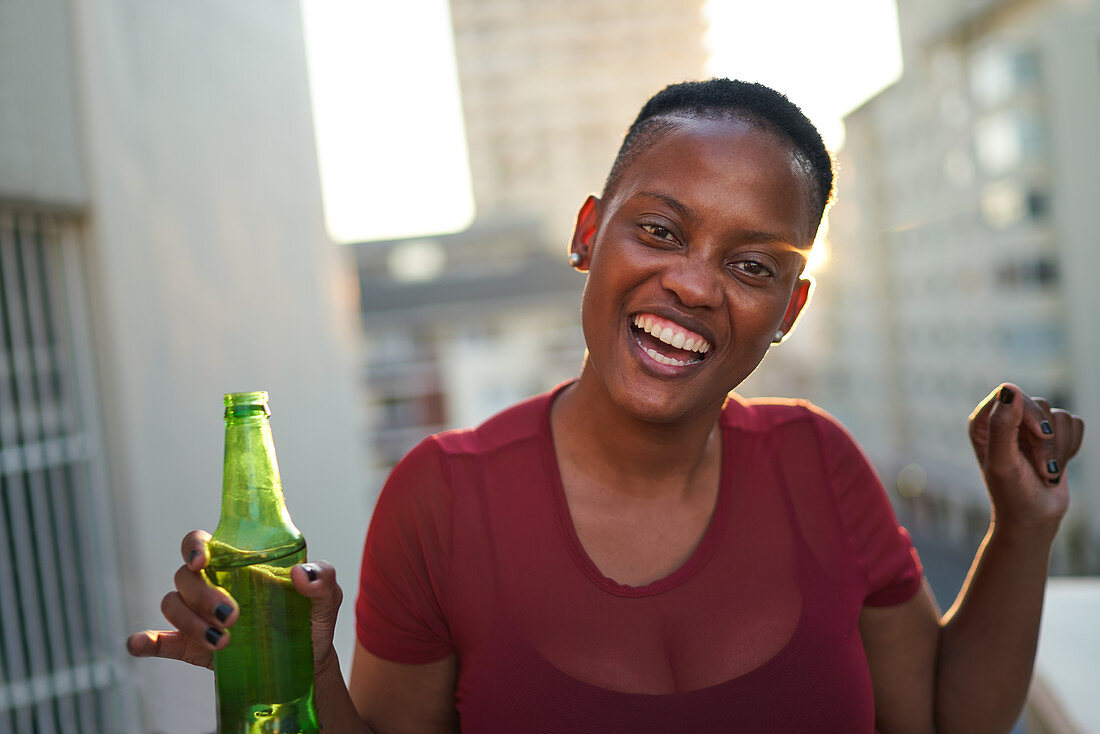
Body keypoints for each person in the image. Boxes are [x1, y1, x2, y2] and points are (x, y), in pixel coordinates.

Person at [128, 79, 1085, 733]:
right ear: (591, 234)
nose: (696, 286)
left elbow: (949, 717)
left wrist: (1023, 525)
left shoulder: (819, 463)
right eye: (662, 230)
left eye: (751, 266)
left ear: (788, 311)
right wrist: (300, 678)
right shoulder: (444, 498)